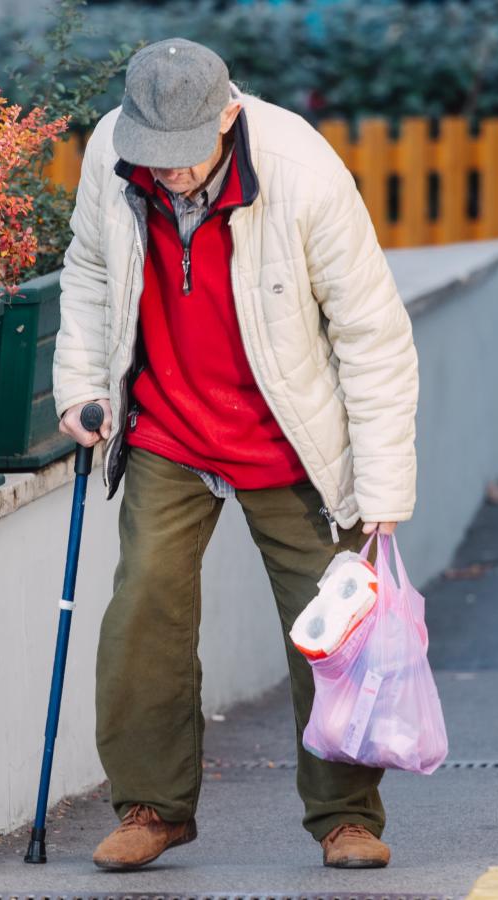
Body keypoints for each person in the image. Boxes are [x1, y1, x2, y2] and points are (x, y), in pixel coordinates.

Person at [52, 38, 419, 871]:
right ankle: (151, 806)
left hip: (289, 440)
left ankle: (345, 817)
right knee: (144, 606)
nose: (170, 174)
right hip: (167, 428)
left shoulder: (303, 171)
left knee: (329, 630)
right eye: (156, 157)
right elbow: (87, 270)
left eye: (185, 158)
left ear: (228, 114)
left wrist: (384, 479)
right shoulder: (114, 151)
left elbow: (372, 333)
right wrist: (79, 386)